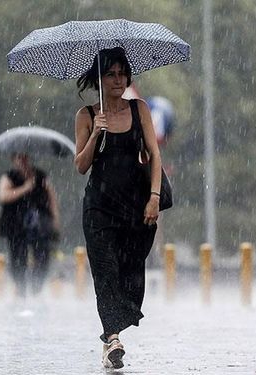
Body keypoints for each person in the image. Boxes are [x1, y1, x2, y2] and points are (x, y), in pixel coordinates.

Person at [74, 47, 161, 369]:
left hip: (135, 207)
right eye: (110, 74)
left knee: (131, 272)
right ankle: (112, 339)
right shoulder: (86, 116)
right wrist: (96, 132)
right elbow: (81, 165)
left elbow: (154, 154)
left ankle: (114, 327)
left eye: (122, 73)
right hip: (98, 208)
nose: (118, 79)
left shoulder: (139, 110)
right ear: (99, 78)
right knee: (105, 271)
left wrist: (154, 196)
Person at [0, 152, 61, 298]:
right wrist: (25, 188)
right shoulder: (8, 177)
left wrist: (55, 222)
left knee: (43, 256)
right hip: (15, 225)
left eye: (25, 157)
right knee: (18, 257)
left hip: (39, 225)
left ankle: (36, 289)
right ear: (14, 160)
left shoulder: (40, 176)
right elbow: (3, 196)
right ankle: (21, 290)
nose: (23, 161)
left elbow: (52, 199)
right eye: (19, 158)